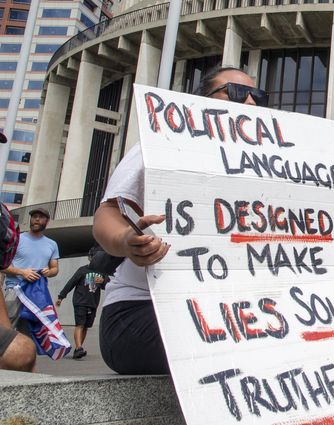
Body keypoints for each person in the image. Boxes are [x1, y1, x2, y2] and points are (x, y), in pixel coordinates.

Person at [93, 65, 264, 375]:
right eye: (238, 94)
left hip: (234, 309)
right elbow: (107, 216)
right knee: (256, 343)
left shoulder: (264, 164)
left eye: (258, 97)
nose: (251, 104)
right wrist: (126, 242)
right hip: (142, 310)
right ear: (199, 101)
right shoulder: (162, 143)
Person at [0, 109, 36, 371]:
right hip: (13, 284)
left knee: (19, 349)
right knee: (19, 351)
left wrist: (7, 340)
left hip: (20, 291)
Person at [3, 208, 60, 330]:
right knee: (7, 327)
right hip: (15, 289)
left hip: (37, 292)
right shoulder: (16, 239)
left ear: (47, 221)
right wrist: (22, 272)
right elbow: (2, 266)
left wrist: (49, 272)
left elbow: (55, 268)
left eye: (40, 217)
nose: (37, 219)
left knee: (33, 330)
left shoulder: (52, 244)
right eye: (34, 217)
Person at [56, 247, 109, 359]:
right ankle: (79, 347)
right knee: (80, 324)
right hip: (80, 301)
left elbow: (108, 286)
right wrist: (61, 296)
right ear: (90, 258)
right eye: (93, 257)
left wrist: (103, 281)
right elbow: (71, 282)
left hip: (93, 303)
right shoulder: (82, 270)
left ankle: (78, 349)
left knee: (85, 326)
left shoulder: (102, 272)